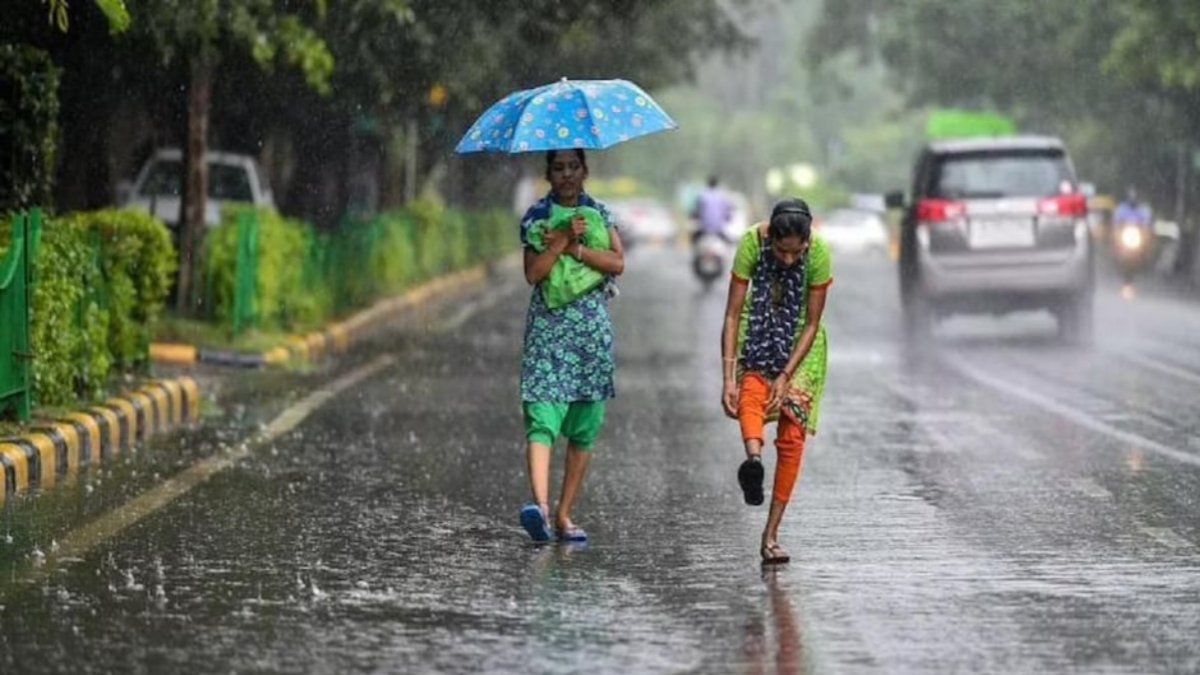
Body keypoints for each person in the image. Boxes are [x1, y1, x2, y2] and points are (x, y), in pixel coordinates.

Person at [517, 148, 626, 544]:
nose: (566, 174)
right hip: (549, 330)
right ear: (548, 173)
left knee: (584, 425)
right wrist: (560, 240)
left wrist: (578, 248)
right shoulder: (536, 218)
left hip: (590, 335)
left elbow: (617, 263)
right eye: (559, 168)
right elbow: (534, 273)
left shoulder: (600, 213)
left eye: (573, 167)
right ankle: (541, 510)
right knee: (542, 414)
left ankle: (564, 515)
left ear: (585, 170)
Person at [720, 197, 832, 565]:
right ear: (770, 239)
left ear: (806, 242)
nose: (787, 260)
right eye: (781, 252)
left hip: (803, 342)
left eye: (794, 253)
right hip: (759, 326)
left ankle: (771, 535)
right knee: (749, 394)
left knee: (792, 434)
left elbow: (813, 322)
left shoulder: (819, 254)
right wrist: (727, 377)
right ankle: (753, 462)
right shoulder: (751, 243)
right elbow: (734, 313)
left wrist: (786, 375)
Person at [692, 175, 735, 244]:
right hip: (718, 229)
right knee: (729, 243)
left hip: (704, 229)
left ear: (708, 184)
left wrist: (695, 216)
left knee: (694, 239)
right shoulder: (722, 196)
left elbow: (696, 211)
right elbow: (728, 213)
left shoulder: (702, 195)